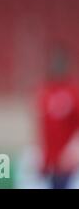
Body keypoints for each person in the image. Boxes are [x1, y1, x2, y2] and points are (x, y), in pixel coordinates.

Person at [37, 45, 79, 189]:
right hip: (52, 162)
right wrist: (44, 158)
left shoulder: (74, 92)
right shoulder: (45, 92)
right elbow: (43, 129)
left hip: (69, 162)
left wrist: (74, 150)